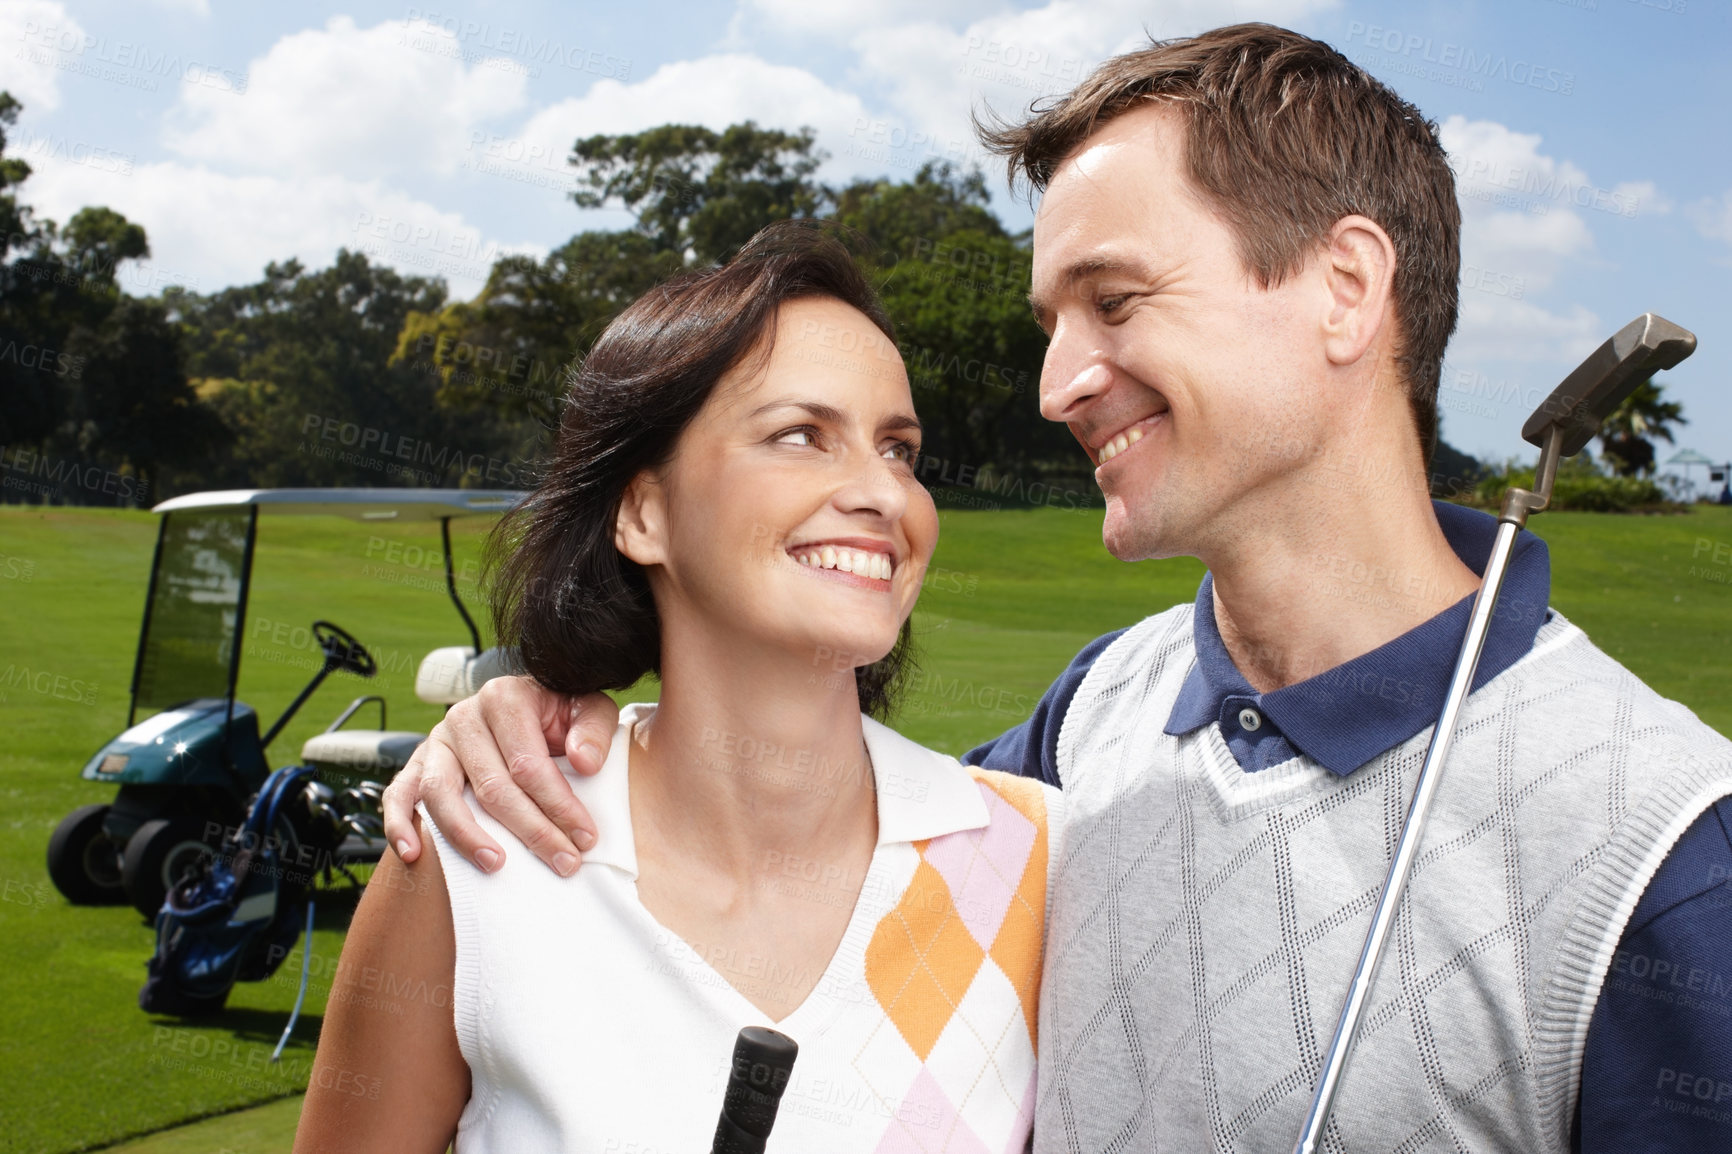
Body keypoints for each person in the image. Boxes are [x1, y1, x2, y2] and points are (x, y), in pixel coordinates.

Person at [380, 24, 1732, 1154]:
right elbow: (805, 809)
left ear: (1344, 287)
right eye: (1051, 326)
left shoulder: (1664, 853)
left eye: (1117, 301)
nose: (1057, 384)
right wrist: (520, 709)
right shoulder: (1092, 725)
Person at [296, 224, 1060, 1152]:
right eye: (800, 436)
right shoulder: (472, 854)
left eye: (898, 449)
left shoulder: (1040, 862)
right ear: (644, 512)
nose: (883, 494)